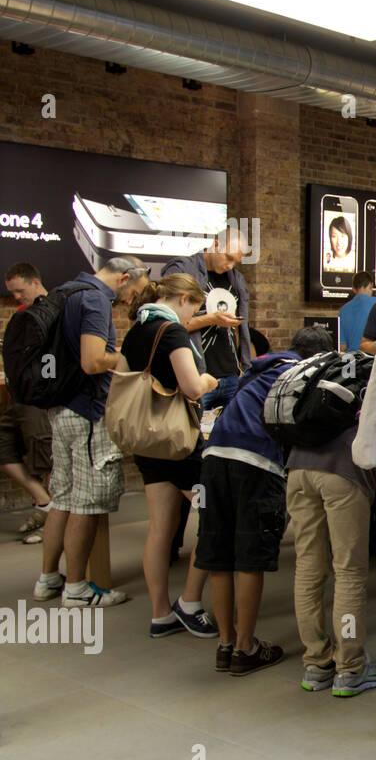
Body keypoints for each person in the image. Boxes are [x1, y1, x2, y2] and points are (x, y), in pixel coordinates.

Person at [196, 325, 335, 675]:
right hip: (258, 463)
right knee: (250, 557)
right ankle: (247, 648)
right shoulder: (306, 373)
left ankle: (226, 644)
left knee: (219, 555)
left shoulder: (261, 369)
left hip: (214, 457)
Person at [33, 256, 150, 607]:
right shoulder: (96, 298)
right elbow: (93, 361)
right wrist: (133, 356)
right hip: (86, 412)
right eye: (134, 293)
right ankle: (78, 588)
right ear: (124, 278)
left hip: (62, 409)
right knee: (86, 503)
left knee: (63, 499)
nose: (130, 301)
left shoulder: (67, 291)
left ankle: (48, 579)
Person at [116, 274, 221, 637]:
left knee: (160, 527)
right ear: (182, 300)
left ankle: (160, 612)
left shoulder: (135, 331)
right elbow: (192, 386)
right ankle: (190, 602)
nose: (193, 317)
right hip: (178, 442)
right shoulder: (172, 332)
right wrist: (211, 381)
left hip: (147, 442)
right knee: (213, 517)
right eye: (194, 308)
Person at [288, 417, 376, 697]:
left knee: (307, 568)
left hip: (298, 469)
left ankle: (316, 662)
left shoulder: (319, 373)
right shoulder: (369, 375)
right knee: (349, 572)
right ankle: (350, 667)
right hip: (342, 472)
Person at [162, 227, 251, 411]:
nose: (230, 265)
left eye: (236, 262)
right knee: (195, 437)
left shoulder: (236, 279)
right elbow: (167, 324)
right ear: (216, 244)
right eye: (228, 257)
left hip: (231, 375)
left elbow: (241, 330)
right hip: (197, 376)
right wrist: (212, 319)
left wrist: (244, 366)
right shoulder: (183, 269)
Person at [2, 263, 54, 543]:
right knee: (3, 446)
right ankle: (44, 503)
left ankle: (52, 518)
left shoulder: (52, 312)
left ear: (35, 282)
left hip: (38, 399)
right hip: (18, 397)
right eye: (12, 292)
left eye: (20, 291)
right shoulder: (22, 316)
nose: (16, 297)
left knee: (44, 454)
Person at [337, 271, 376, 352]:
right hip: (372, 360)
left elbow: (342, 347)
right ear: (371, 285)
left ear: (353, 289)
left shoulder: (343, 310)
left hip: (350, 361)